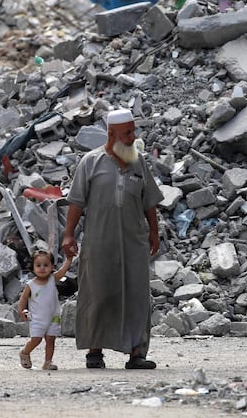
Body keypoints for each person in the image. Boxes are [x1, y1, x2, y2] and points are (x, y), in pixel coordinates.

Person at [61, 108, 164, 369]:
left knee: (137, 295)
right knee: (98, 293)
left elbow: (149, 201)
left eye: (133, 131)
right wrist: (69, 234)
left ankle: (137, 353)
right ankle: (94, 352)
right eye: (127, 132)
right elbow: (76, 202)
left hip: (133, 241)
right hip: (99, 241)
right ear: (111, 133)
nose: (132, 136)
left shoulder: (138, 162)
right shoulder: (90, 162)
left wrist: (154, 231)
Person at [17, 249, 73, 370]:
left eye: (46, 265)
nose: (42, 268)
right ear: (32, 267)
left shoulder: (53, 279)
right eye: (38, 265)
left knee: (51, 339)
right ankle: (25, 352)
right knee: (36, 340)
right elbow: (23, 299)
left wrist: (69, 259)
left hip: (53, 317)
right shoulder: (30, 285)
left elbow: (63, 271)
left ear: (52, 266)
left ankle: (48, 362)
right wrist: (21, 311)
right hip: (37, 319)